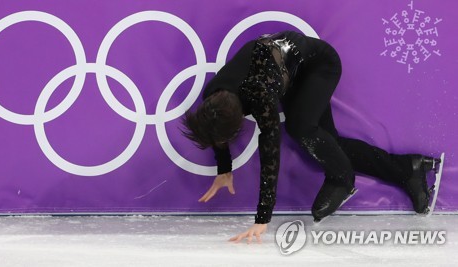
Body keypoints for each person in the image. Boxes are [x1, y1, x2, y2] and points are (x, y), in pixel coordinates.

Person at [181, 30, 440, 244]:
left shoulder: (261, 99)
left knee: (301, 128)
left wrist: (262, 218)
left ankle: (342, 178)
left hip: (318, 64)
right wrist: (224, 168)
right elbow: (216, 131)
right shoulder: (213, 97)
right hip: (286, 74)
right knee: (328, 143)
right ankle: (408, 169)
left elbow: (270, 153)